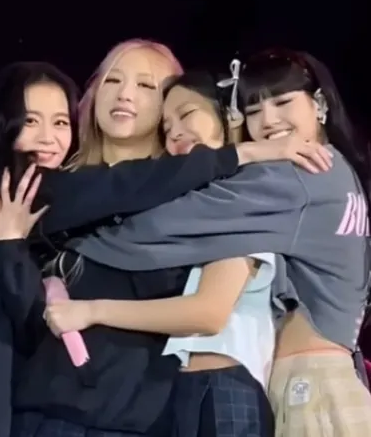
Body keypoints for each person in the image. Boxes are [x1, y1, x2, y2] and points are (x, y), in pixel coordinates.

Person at [0, 48, 314, 437]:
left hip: (129, 419)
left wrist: (241, 155)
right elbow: (28, 320)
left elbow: (209, 309)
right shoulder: (30, 193)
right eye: (113, 79)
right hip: (20, 414)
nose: (125, 94)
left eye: (147, 85)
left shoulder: (201, 203)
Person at [60, 49, 371, 436]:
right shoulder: (332, 171)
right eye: (255, 110)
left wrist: (76, 238)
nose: (268, 120)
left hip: (304, 388)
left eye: (283, 102)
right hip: (313, 379)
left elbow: (167, 227)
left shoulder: (299, 174)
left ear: (320, 104)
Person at [45, 68, 278, 437]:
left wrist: (91, 310)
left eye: (187, 115)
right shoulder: (198, 202)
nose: (175, 134)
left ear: (229, 116)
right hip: (183, 390)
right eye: (166, 128)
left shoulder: (241, 200)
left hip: (226, 384)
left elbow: (207, 313)